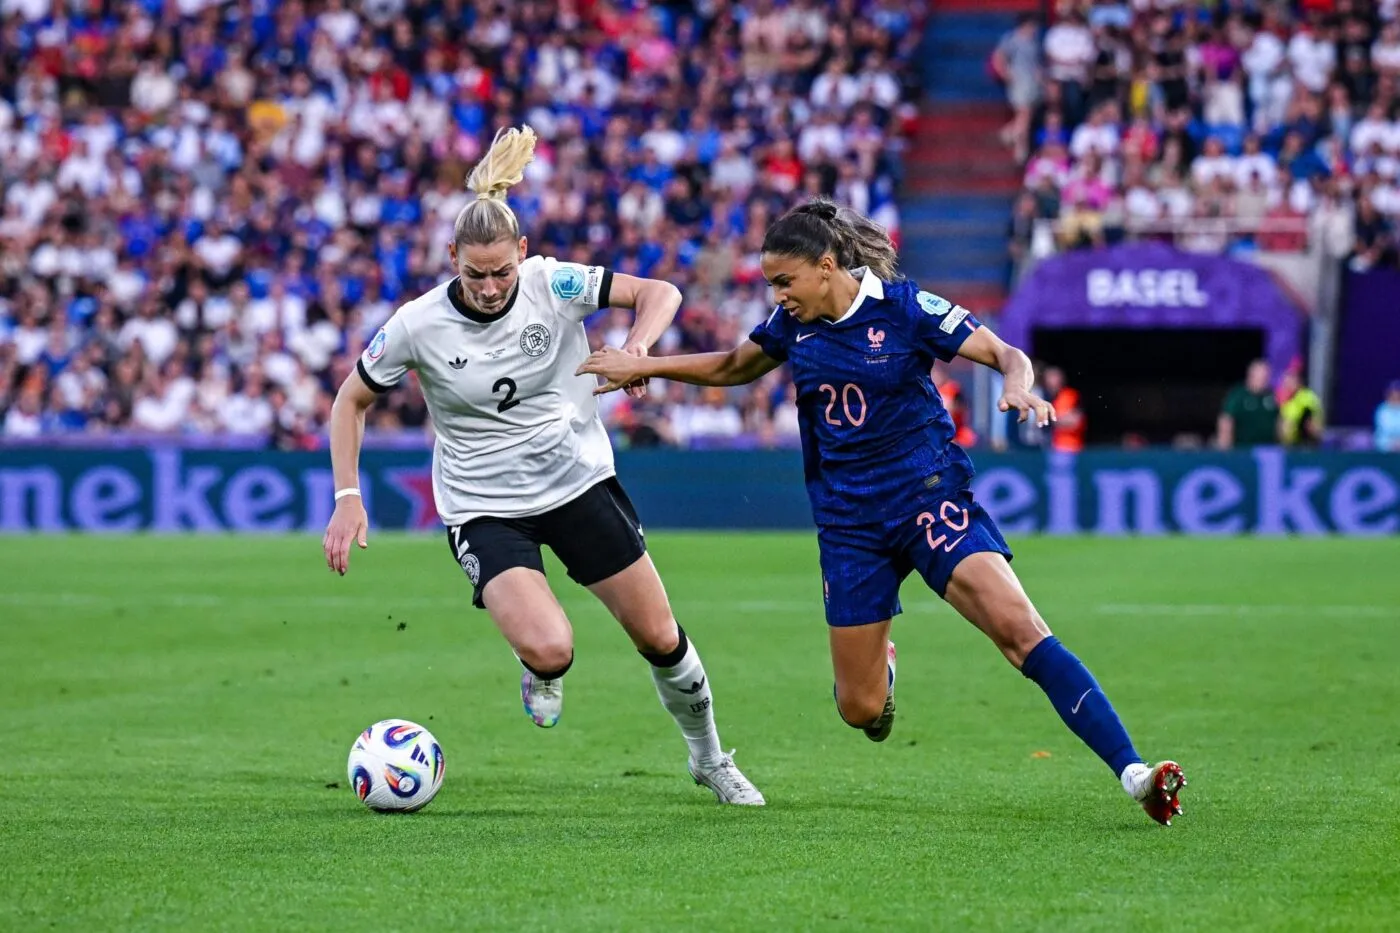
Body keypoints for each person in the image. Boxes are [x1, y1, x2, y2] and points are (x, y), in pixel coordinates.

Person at [578, 198, 1186, 826]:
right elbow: (736, 366)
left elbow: (1006, 352)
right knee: (861, 711)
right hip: (849, 525)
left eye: (785, 282)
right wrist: (644, 364)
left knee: (1021, 632)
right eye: (770, 285)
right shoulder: (795, 325)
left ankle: (1135, 773)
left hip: (928, 496)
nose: (777, 296)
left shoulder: (904, 307)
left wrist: (1015, 383)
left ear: (826, 265)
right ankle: (882, 675)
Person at [322, 126, 763, 806]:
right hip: (484, 506)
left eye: (503, 270)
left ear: (521, 253)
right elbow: (349, 401)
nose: (493, 285)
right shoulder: (416, 324)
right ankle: (540, 669)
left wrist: (637, 350)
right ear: (452, 260)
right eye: (477, 273)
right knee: (553, 647)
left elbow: (662, 292)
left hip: (578, 481)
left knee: (658, 634)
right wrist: (348, 494)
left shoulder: (552, 281)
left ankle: (709, 757)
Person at [1217, 359, 1278, 448]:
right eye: (1261, 377)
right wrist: (1225, 447)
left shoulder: (1272, 395)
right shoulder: (1238, 395)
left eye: (1266, 377)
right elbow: (1226, 420)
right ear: (1251, 376)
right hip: (1243, 450)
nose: (1264, 381)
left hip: (1268, 450)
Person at [1375, 381, 1400, 452]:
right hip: (1385, 444)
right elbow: (1385, 428)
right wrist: (1394, 443)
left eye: (1398, 396)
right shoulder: (1382, 410)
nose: (1396, 398)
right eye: (1393, 396)